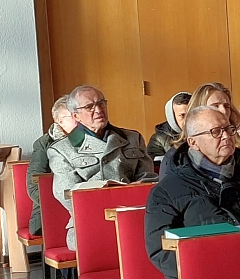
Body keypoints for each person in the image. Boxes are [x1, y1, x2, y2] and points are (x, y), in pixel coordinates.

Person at [145, 105, 240, 279]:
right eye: (216, 132)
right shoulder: (169, 189)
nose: (226, 136)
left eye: (228, 129)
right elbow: (160, 250)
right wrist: (213, 270)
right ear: (193, 142)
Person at [46, 85, 156, 248]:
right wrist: (108, 196)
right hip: (89, 223)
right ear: (76, 116)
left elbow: (149, 178)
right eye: (89, 107)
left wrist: (131, 193)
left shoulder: (132, 138)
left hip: (134, 216)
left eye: (101, 103)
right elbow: (66, 194)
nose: (98, 110)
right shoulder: (62, 149)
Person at [27, 97, 76, 236]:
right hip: (50, 212)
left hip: (83, 207)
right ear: (60, 121)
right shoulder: (44, 144)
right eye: (72, 116)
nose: (78, 119)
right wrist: (68, 205)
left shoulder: (91, 140)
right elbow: (33, 187)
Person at [149, 92, 190, 158]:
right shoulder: (158, 140)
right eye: (182, 115)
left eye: (191, 114)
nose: (188, 119)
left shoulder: (204, 134)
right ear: (172, 117)